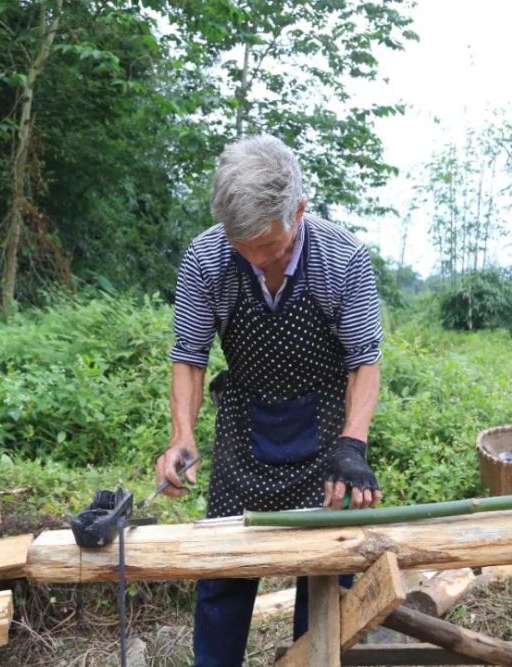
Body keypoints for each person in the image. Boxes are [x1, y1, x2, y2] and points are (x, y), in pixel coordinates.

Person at [156, 134, 384, 666]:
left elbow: (363, 362)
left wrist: (353, 444)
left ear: (299, 210)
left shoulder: (343, 258)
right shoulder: (207, 258)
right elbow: (190, 355)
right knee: (224, 573)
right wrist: (182, 437)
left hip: (327, 428)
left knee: (327, 571)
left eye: (269, 245)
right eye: (244, 248)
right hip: (244, 425)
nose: (257, 258)